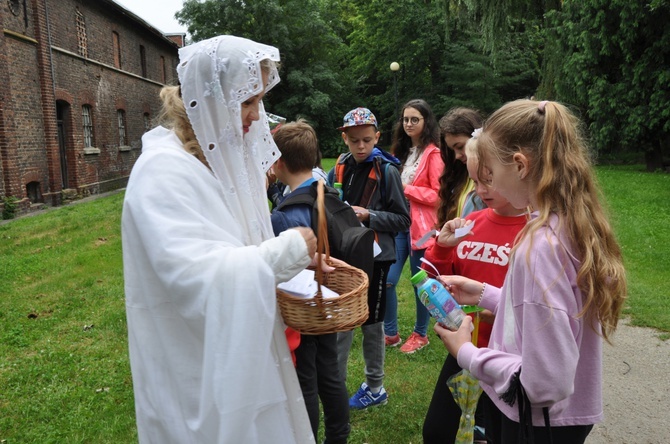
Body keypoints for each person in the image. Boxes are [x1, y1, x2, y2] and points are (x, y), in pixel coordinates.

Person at [121, 36, 317, 443]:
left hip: (243, 350)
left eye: (259, 101)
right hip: (194, 363)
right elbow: (192, 276)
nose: (255, 115)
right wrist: (287, 251)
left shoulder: (224, 160)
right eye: (247, 101)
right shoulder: (162, 172)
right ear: (211, 99)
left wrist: (300, 266)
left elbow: (239, 243)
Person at [435, 99, 627, 443]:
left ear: (520, 165)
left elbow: (543, 383)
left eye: (490, 172)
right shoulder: (567, 223)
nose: (486, 186)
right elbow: (557, 312)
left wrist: (468, 353)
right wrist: (486, 294)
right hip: (567, 418)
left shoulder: (539, 247)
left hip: (534, 424)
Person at [422, 136, 528, 443]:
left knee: (491, 434)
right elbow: (439, 282)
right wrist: (441, 248)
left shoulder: (533, 232)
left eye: (489, 181)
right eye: (474, 182)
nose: (480, 191)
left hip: (507, 355)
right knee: (437, 431)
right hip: (463, 346)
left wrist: (493, 304)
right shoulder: (471, 222)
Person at [269, 119, 350, 444]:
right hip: (331, 300)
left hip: (302, 309)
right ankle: (338, 437)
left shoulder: (283, 214)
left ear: (278, 162)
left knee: (306, 379)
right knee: (331, 374)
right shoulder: (327, 193)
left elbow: (279, 267)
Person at [326, 107, 410, 408]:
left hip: (376, 258)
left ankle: (375, 387)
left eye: (366, 140)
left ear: (377, 137)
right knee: (342, 321)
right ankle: (334, 387)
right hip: (345, 256)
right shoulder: (338, 167)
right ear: (344, 138)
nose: (361, 147)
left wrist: (369, 215)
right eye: (354, 141)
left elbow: (403, 220)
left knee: (372, 323)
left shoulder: (387, 171)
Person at [383, 99, 444, 354]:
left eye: (414, 119)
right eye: (405, 119)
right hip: (398, 225)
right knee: (387, 279)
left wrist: (405, 189)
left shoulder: (434, 153)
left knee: (421, 284)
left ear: (426, 121)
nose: (408, 124)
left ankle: (421, 334)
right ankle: (390, 333)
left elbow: (438, 194)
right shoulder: (400, 151)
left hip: (422, 228)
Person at [436, 107, 486, 228]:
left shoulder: (495, 174)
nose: (457, 156)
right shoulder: (458, 176)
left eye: (460, 146)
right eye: (452, 150)